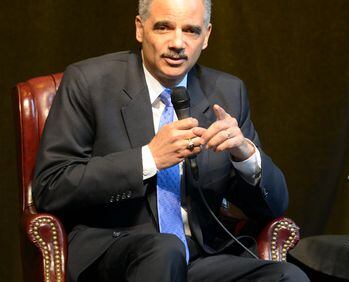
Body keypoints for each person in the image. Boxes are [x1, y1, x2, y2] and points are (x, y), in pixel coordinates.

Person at [33, 0, 309, 281]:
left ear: (207, 36)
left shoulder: (227, 92)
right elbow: (51, 186)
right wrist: (148, 158)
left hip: (199, 257)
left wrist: (246, 157)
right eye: (164, 27)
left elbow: (272, 206)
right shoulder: (89, 82)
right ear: (140, 29)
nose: (178, 43)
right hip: (117, 251)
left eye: (191, 31)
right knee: (165, 250)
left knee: (289, 277)